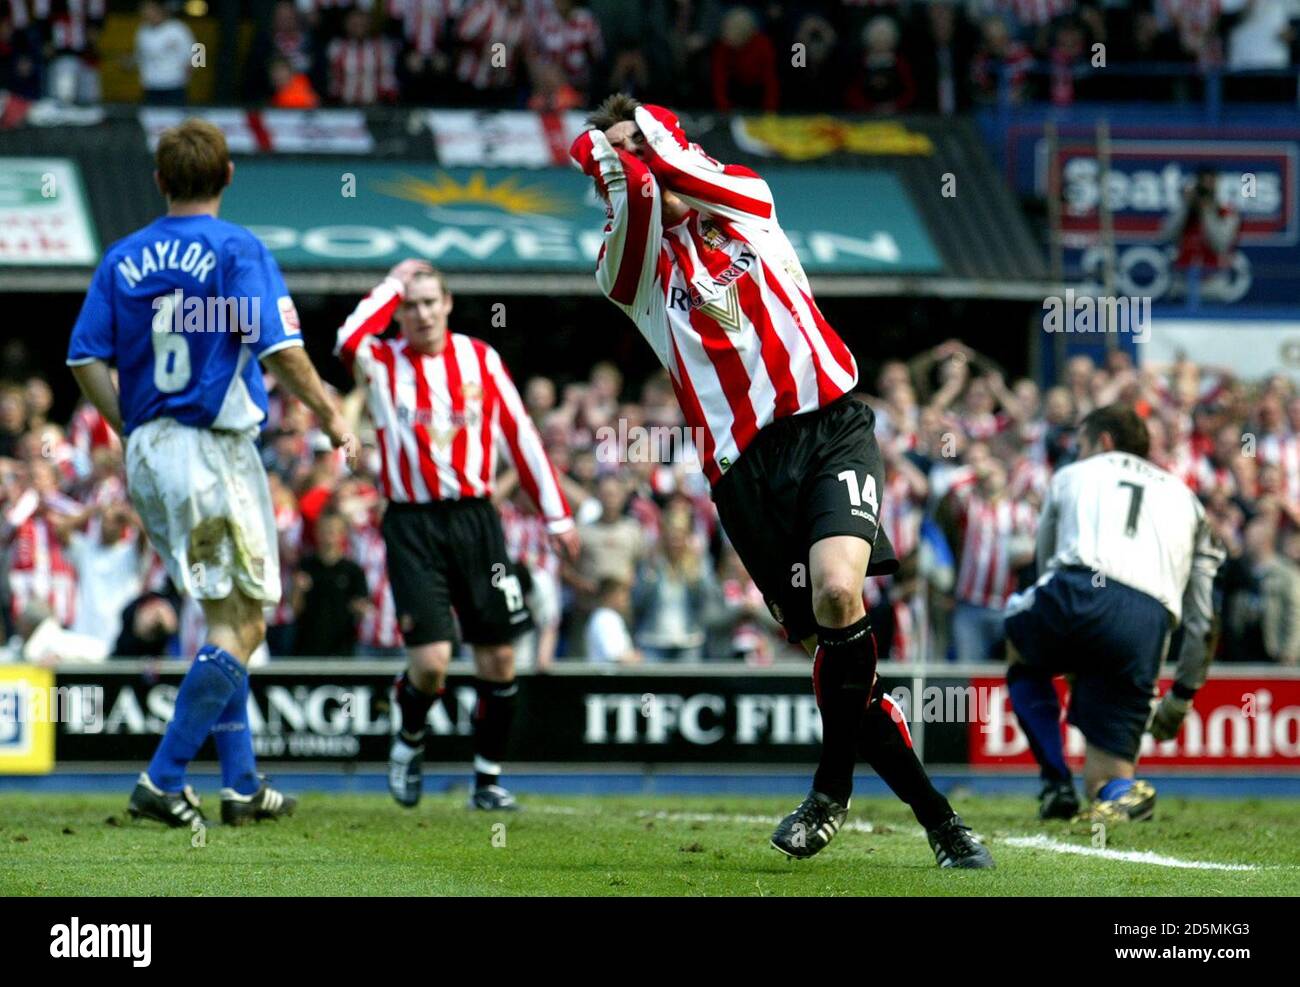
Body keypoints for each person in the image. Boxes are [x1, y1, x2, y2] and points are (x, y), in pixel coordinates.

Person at [570, 93, 992, 867]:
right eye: (619, 158)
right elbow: (633, 195)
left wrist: (633, 140)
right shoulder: (627, 270)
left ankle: (831, 788)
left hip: (830, 427)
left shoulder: (746, 199)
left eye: (642, 146)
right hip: (746, 476)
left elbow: (668, 162)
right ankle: (940, 819)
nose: (633, 164)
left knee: (840, 594)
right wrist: (607, 153)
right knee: (829, 654)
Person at [66, 118, 354, 828]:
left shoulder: (122, 256)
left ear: (160, 181)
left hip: (150, 453)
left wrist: (129, 424)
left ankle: (242, 785)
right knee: (247, 620)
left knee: (225, 616)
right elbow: (282, 349)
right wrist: (331, 414)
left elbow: (83, 359)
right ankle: (162, 778)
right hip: (209, 447)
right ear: (228, 176)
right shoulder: (236, 248)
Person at [334, 259, 578, 811]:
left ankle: (488, 780)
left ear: (447, 304)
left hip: (476, 520)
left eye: (429, 302)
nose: (420, 314)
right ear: (397, 313)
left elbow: (521, 435)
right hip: (411, 523)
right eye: (409, 305)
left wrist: (556, 515)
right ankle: (409, 738)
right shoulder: (379, 360)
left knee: (499, 661)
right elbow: (348, 336)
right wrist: (393, 283)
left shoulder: (479, 358)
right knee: (432, 663)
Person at [1004, 405, 1225, 824]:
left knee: (1019, 644)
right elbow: (1204, 617)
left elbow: (1048, 566)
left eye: (1081, 444)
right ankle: (1124, 792)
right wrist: (1181, 695)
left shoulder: (1072, 475)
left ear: (1103, 442)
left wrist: (1067, 651)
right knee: (1105, 782)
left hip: (1079, 589)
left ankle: (1055, 781)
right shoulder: (1189, 500)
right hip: (1147, 620)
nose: (1077, 453)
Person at [291, 511, 370, 657]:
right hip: (308, 648)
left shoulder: (353, 570)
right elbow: (294, 610)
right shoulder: (305, 566)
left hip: (342, 648)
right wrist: (298, 590)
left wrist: (360, 608)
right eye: (323, 531)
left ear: (342, 534)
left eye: (332, 532)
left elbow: (363, 608)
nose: (328, 537)